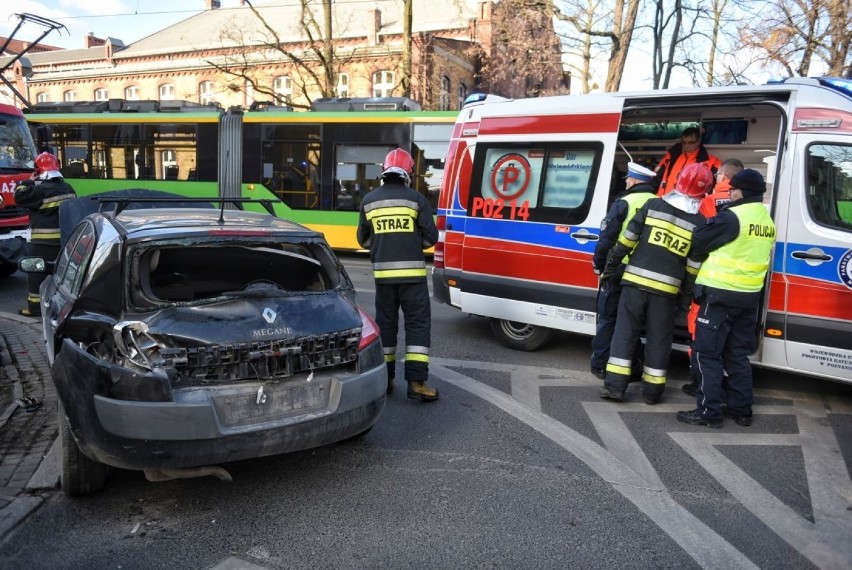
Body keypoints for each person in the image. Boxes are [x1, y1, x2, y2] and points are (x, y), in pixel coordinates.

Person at [599, 163, 713, 404]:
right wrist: (685, 297)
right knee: (659, 340)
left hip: (634, 284)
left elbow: (627, 240)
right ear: (703, 191)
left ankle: (615, 388)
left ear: (678, 181)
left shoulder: (653, 205)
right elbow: (693, 267)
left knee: (624, 333)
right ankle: (652, 393)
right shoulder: (700, 224)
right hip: (667, 292)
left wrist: (610, 269)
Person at [677, 169, 776, 428]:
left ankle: (709, 412)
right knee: (737, 355)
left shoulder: (732, 217)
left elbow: (699, 240)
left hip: (719, 295)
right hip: (748, 297)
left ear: (741, 191)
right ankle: (741, 411)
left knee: (706, 354)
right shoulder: (766, 220)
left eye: (732, 189)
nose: (729, 192)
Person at [356, 148, 440, 401]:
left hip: (384, 279)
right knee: (417, 326)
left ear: (384, 171)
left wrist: (385, 244)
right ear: (409, 173)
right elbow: (431, 238)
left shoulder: (369, 201)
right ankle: (416, 384)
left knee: (386, 326)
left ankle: (387, 380)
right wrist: (412, 243)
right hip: (413, 279)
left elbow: (363, 239)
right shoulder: (416, 199)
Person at [683, 157, 745, 396]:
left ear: (721, 177)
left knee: (699, 330)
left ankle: (699, 380)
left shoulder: (707, 201)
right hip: (738, 285)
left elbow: (696, 235)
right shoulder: (748, 204)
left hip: (708, 275)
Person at [590, 162, 657, 379]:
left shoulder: (624, 202)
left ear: (635, 180)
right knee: (631, 322)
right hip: (645, 272)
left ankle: (600, 365)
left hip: (619, 269)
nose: (626, 181)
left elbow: (607, 238)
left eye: (628, 178)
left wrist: (599, 265)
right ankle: (635, 368)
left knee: (608, 318)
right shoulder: (659, 203)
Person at [13, 152, 77, 317]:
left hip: (43, 243)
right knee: (61, 275)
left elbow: (18, 195)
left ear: (39, 170)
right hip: (64, 242)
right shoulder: (68, 188)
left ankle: (34, 309)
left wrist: (30, 180)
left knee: (35, 273)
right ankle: (62, 308)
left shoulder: (40, 190)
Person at [653, 126, 721, 197]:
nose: (686, 146)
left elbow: (720, 183)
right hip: (663, 200)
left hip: (688, 206)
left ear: (698, 142)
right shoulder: (672, 156)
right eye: (684, 142)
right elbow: (655, 176)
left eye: (690, 142)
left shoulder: (711, 162)